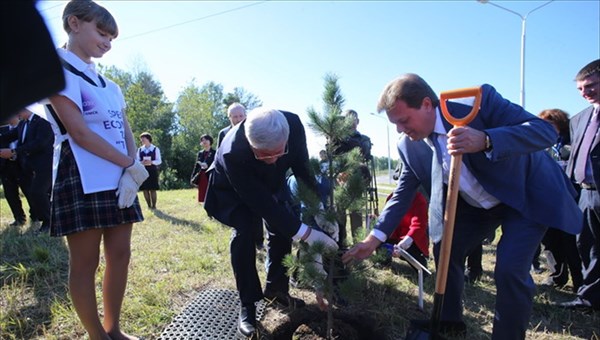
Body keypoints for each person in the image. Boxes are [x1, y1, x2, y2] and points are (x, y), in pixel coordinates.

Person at [342, 73, 582, 339]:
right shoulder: (409, 147)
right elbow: (402, 194)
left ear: (426, 104)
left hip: (524, 196)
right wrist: (374, 239)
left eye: (403, 120)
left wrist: (486, 139)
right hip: (477, 207)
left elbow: (544, 131)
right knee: (445, 246)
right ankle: (449, 321)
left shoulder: (475, 103)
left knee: (509, 267)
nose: (400, 129)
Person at [39, 1, 148, 339]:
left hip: (119, 176)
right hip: (81, 175)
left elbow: (125, 129)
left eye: (111, 38)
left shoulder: (110, 85)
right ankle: (96, 336)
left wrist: (132, 168)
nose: (107, 42)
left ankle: (114, 329)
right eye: (101, 33)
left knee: (120, 254)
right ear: (74, 23)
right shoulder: (55, 72)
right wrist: (129, 163)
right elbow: (80, 133)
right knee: (85, 263)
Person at [204, 107, 338, 337]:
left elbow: (302, 169)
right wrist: (307, 234)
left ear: (286, 138)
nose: (272, 160)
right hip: (234, 187)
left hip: (273, 182)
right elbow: (262, 204)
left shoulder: (293, 125)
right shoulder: (232, 151)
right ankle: (247, 304)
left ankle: (277, 289)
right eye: (264, 155)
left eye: (277, 153)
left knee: (281, 229)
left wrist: (319, 209)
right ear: (250, 141)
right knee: (244, 233)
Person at [560, 59, 600, 311]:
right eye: (580, 89)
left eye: (591, 85)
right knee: (587, 245)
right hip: (585, 193)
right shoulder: (579, 119)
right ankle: (590, 299)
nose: (585, 92)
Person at [537, 109, 582, 292]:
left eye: (550, 124)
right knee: (550, 240)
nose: (545, 128)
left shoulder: (573, 141)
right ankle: (557, 276)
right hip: (547, 197)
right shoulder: (540, 143)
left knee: (571, 241)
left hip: (572, 197)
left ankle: (580, 281)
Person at [0, 108, 54, 232]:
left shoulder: (42, 121)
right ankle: (47, 221)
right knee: (37, 193)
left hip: (45, 164)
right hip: (32, 166)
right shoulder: (24, 124)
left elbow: (39, 143)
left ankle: (48, 222)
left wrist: (14, 151)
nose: (15, 114)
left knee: (38, 192)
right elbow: (9, 136)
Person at [331, 109, 373, 247]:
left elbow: (365, 154)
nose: (352, 123)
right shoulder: (338, 137)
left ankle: (357, 245)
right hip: (340, 181)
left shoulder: (363, 139)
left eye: (354, 120)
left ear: (358, 121)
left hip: (356, 181)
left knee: (356, 214)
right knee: (340, 213)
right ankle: (341, 243)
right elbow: (333, 153)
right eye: (348, 120)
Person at [0, 115, 26, 226]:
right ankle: (19, 218)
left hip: (23, 165)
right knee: (10, 193)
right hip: (6, 166)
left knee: (29, 191)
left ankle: (36, 216)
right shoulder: (3, 130)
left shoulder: (25, 126)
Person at [137, 132, 161, 209]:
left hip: (152, 170)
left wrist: (152, 162)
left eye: (143, 139)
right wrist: (141, 162)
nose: (142, 140)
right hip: (143, 170)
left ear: (148, 139)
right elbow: (137, 160)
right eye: (141, 139)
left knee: (153, 189)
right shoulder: (140, 149)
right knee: (145, 189)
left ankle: (154, 206)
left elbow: (159, 161)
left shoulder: (155, 149)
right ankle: (149, 205)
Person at [190, 134, 215, 203]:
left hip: (210, 175)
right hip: (201, 175)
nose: (204, 142)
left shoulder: (214, 152)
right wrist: (193, 177)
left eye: (206, 140)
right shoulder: (200, 153)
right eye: (202, 140)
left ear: (210, 141)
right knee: (203, 193)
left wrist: (208, 165)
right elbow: (196, 166)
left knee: (211, 193)